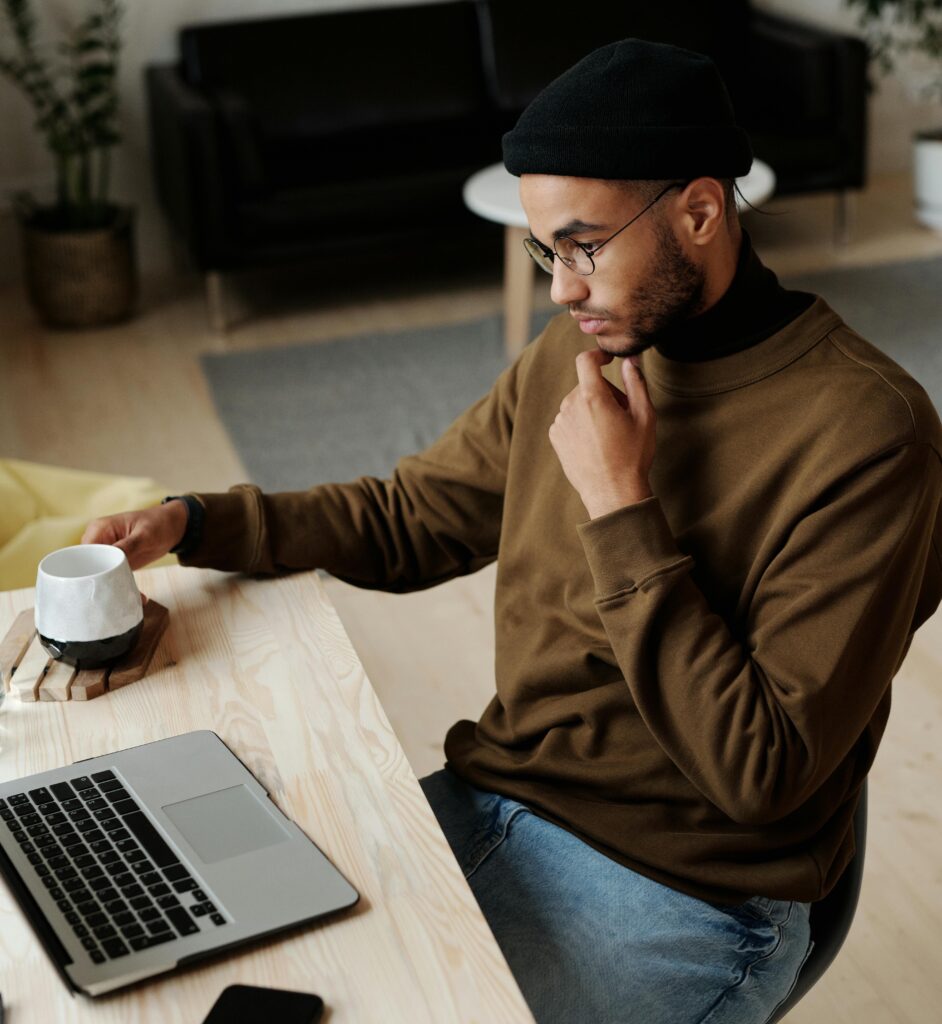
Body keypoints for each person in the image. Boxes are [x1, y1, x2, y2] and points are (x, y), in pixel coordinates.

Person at [83, 39, 942, 1024]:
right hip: (492, 795)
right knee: (204, 973)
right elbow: (412, 518)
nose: (560, 291)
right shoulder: (579, 347)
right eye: (546, 252)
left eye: (583, 246)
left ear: (701, 211)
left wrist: (622, 507)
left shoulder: (872, 434)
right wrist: (201, 521)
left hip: (687, 890)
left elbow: (762, 771)